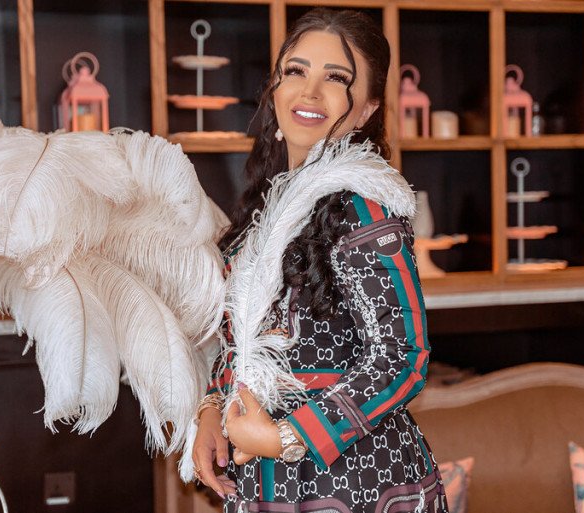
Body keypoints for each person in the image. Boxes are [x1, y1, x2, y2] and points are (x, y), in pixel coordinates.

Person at [191, 8, 448, 513]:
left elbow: (403, 357)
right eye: (296, 71)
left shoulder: (363, 203)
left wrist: (287, 437)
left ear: (368, 107)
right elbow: (244, 342)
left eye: (337, 78)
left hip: (355, 482)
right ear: (275, 87)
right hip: (264, 481)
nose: (309, 92)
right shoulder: (265, 210)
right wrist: (211, 408)